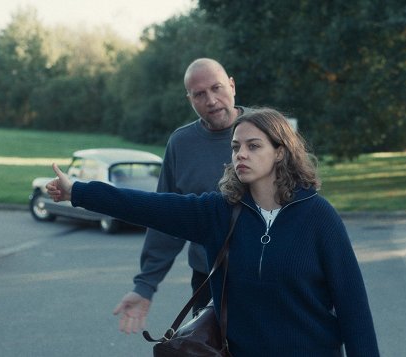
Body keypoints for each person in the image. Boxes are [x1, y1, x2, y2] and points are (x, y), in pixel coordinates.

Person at [46, 108, 380, 356]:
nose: (241, 155)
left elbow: (354, 308)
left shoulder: (318, 216)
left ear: (280, 152)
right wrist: (78, 191)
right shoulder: (218, 211)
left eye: (253, 146)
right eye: (236, 148)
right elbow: (148, 205)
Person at [112, 58, 248, 334]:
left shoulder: (266, 129)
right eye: (199, 94)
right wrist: (145, 285)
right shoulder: (181, 143)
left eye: (217, 88)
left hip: (267, 273)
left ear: (232, 86)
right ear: (190, 99)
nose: (211, 100)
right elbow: (166, 219)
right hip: (208, 279)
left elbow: (300, 203)